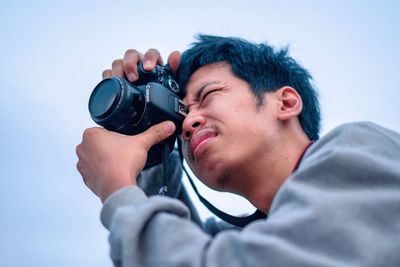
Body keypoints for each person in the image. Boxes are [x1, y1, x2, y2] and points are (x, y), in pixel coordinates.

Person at [76, 35, 400, 266]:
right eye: (182, 112)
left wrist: (118, 186)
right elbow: (184, 246)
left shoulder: (360, 150)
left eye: (208, 96)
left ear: (285, 102)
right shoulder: (253, 236)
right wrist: (145, 143)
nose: (188, 123)